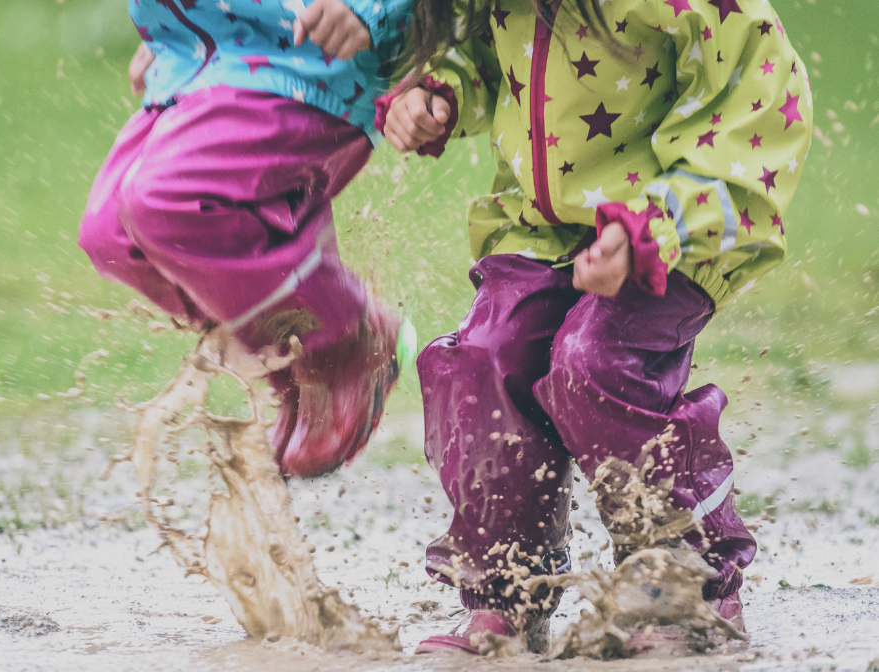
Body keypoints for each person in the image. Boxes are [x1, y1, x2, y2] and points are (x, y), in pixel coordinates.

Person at [377, 0, 812, 654]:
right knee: (483, 360)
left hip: (676, 226)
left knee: (593, 359)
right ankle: (509, 589)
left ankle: (684, 580)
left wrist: (652, 227)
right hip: (542, 227)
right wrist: (437, 90)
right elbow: (481, 53)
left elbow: (753, 102)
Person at [80, 0, 415, 477]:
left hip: (305, 58)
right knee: (110, 236)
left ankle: (347, 336)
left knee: (162, 201)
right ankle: (295, 360)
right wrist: (172, 26)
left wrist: (368, 8)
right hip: (201, 58)